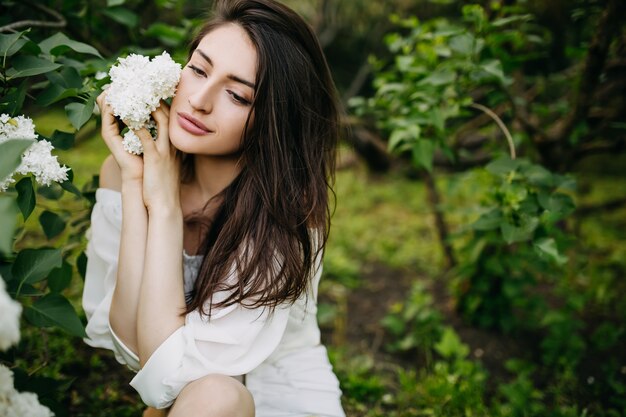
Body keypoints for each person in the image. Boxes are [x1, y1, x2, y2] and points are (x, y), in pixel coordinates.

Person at [81, 0, 345, 416]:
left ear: (273, 119)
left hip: (277, 394)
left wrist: (164, 205)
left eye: (238, 96)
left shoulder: (288, 214)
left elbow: (163, 380)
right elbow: (131, 351)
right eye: (199, 70)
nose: (200, 100)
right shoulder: (124, 173)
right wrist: (136, 184)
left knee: (216, 395)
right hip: (191, 403)